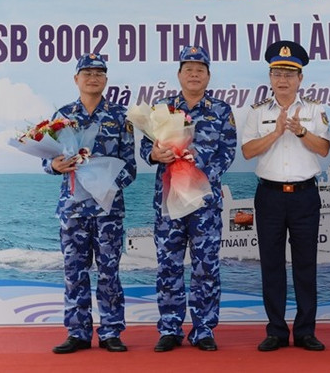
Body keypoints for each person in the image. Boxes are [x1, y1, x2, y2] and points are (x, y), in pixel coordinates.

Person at [139, 46, 237, 352]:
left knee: (206, 267)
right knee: (168, 265)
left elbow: (228, 152)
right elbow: (145, 148)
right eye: (189, 69)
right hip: (169, 200)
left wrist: (201, 164)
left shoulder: (221, 110)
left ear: (208, 75)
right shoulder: (163, 109)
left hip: (204, 202)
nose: (194, 74)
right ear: (179, 74)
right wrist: (155, 154)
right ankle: (170, 328)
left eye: (200, 70)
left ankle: (203, 328)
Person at [44, 53, 137, 354]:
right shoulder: (62, 116)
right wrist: (54, 165)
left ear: (106, 80)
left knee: (109, 272)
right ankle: (77, 332)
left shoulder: (120, 117)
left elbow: (130, 167)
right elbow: (47, 158)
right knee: (74, 272)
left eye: (99, 73)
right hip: (73, 209)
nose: (93, 78)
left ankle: (111, 331)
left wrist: (104, 185)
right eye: (87, 73)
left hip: (108, 209)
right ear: (76, 79)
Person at [241, 40, 330, 352]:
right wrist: (277, 132)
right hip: (270, 196)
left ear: (300, 78)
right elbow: (248, 151)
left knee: (306, 265)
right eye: (277, 73)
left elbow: (325, 149)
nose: (283, 80)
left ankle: (306, 331)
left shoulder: (315, 110)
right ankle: (276, 331)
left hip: (305, 196)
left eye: (290, 74)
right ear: (270, 77)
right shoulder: (257, 112)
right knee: (271, 265)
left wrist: (301, 131)